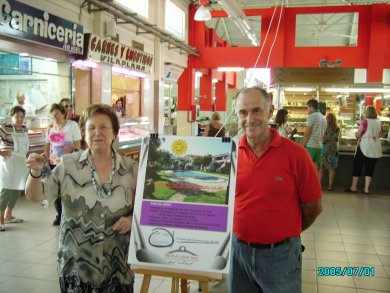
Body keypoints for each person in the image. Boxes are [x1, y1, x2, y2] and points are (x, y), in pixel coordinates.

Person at [25, 103, 137, 292]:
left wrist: (131, 220)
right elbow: (36, 195)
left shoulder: (131, 169)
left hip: (117, 266)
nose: (97, 132)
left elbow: (146, 211)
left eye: (103, 127)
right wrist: (35, 172)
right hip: (76, 267)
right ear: (84, 134)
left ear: (114, 133)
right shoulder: (68, 165)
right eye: (91, 128)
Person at [230, 87, 322, 292]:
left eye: (256, 111)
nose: (249, 118)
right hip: (238, 253)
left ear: (270, 111)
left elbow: (313, 206)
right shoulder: (230, 153)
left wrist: (286, 233)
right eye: (243, 112)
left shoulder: (297, 155)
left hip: (280, 257)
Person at [45, 103, 81, 225]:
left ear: (63, 114)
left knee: (69, 188)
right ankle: (60, 214)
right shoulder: (50, 128)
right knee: (56, 190)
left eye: (58, 113)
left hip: (69, 163)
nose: (55, 116)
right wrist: (46, 157)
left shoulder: (72, 125)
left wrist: (75, 159)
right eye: (53, 114)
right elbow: (47, 145)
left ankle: (70, 213)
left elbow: (77, 144)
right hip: (54, 163)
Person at [0, 106, 29, 231]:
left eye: (22, 116)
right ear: (11, 117)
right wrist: (0, 153)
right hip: (8, 162)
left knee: (17, 188)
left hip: (21, 162)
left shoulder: (24, 129)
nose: (19, 119)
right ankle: (0, 219)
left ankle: (9, 215)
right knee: (6, 189)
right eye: (16, 116)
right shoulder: (4, 128)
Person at [344, 106, 382, 195]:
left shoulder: (365, 122)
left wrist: (355, 134)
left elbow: (358, 135)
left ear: (367, 113)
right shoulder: (379, 122)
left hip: (364, 147)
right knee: (370, 168)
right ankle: (366, 189)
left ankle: (353, 187)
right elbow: (379, 134)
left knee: (358, 166)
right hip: (375, 147)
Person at [302, 99, 327, 171]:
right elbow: (324, 133)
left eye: (308, 107)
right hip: (319, 146)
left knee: (306, 166)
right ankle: (314, 181)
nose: (307, 110)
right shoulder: (323, 118)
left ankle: (307, 182)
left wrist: (303, 145)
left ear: (311, 107)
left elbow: (307, 132)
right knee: (315, 166)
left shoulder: (311, 116)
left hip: (311, 145)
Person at [319, 113, 340, 191]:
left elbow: (323, 139)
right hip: (334, 151)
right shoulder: (337, 128)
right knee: (332, 168)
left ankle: (319, 186)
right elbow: (336, 138)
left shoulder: (324, 128)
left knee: (322, 168)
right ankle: (330, 186)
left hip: (324, 149)